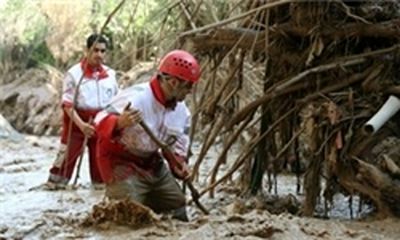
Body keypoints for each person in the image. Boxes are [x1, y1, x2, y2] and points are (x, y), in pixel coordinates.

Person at [94, 49, 201, 221]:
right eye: (188, 86)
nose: (190, 91)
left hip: (151, 162)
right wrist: (120, 122)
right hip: (119, 160)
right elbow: (98, 121)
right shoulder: (136, 97)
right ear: (173, 82)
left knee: (177, 205)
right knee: (129, 214)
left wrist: (179, 165)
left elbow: (177, 146)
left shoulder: (183, 113)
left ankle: (149, 201)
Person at [46, 33, 119, 188]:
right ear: (87, 51)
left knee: (101, 177)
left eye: (102, 51)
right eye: (95, 50)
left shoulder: (110, 75)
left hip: (100, 124)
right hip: (76, 124)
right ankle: (55, 189)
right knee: (61, 171)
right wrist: (82, 126)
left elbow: (116, 103)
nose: (99, 54)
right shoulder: (74, 74)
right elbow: (67, 105)